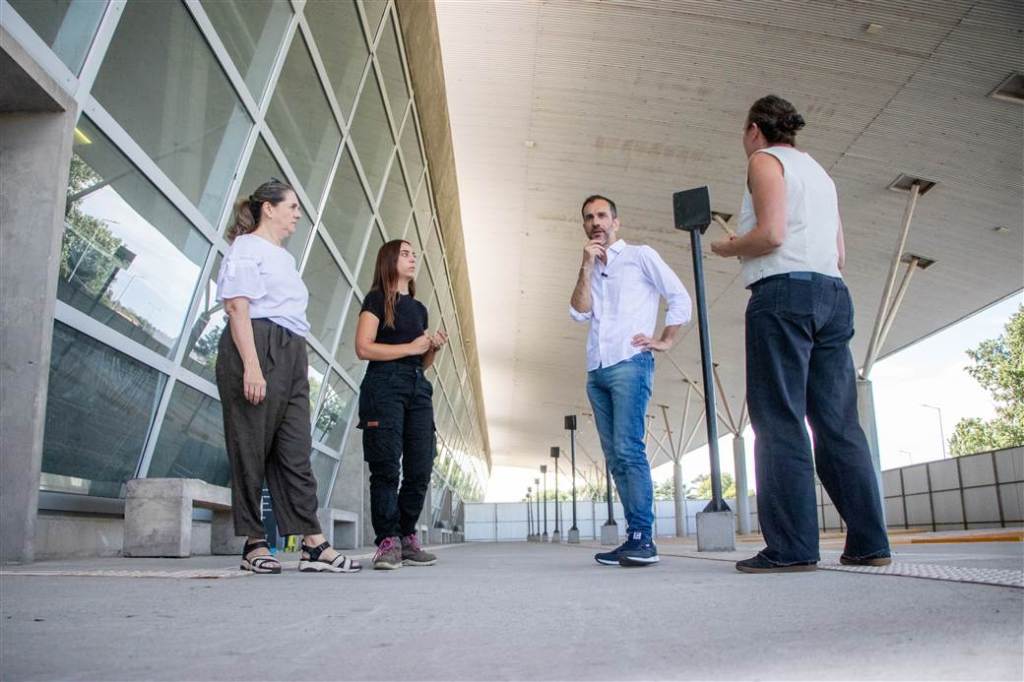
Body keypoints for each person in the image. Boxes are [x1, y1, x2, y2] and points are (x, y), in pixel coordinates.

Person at [710, 95, 891, 573]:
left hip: (782, 295)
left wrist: (729, 247)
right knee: (838, 423)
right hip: (833, 294)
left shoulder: (763, 161)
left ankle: (791, 547)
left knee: (779, 420)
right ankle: (870, 543)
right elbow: (840, 253)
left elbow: (771, 235)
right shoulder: (819, 172)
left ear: (755, 130)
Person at [215, 179, 360, 573]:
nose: (298, 214)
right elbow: (237, 307)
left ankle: (312, 543)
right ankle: (254, 543)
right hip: (257, 344)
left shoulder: (283, 257)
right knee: (250, 447)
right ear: (269, 208)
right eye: (292, 206)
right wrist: (252, 365)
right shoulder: (247, 247)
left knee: (295, 449)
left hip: (292, 350)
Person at [570, 195, 692, 567]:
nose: (596, 222)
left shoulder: (640, 256)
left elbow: (679, 298)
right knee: (615, 458)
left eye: (602, 215)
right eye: (589, 217)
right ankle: (632, 537)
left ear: (616, 222)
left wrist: (665, 340)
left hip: (630, 364)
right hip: (597, 369)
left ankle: (644, 538)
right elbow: (578, 312)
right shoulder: (590, 266)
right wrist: (585, 266)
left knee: (628, 449)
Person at [355, 239, 448, 570]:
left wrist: (431, 348)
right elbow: (363, 348)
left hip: (417, 386)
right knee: (385, 467)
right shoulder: (376, 299)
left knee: (421, 465)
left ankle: (406, 536)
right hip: (383, 385)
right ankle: (388, 541)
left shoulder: (419, 309)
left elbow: (420, 362)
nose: (412, 259)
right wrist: (411, 347)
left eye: (413, 254)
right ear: (389, 260)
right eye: (405, 254)